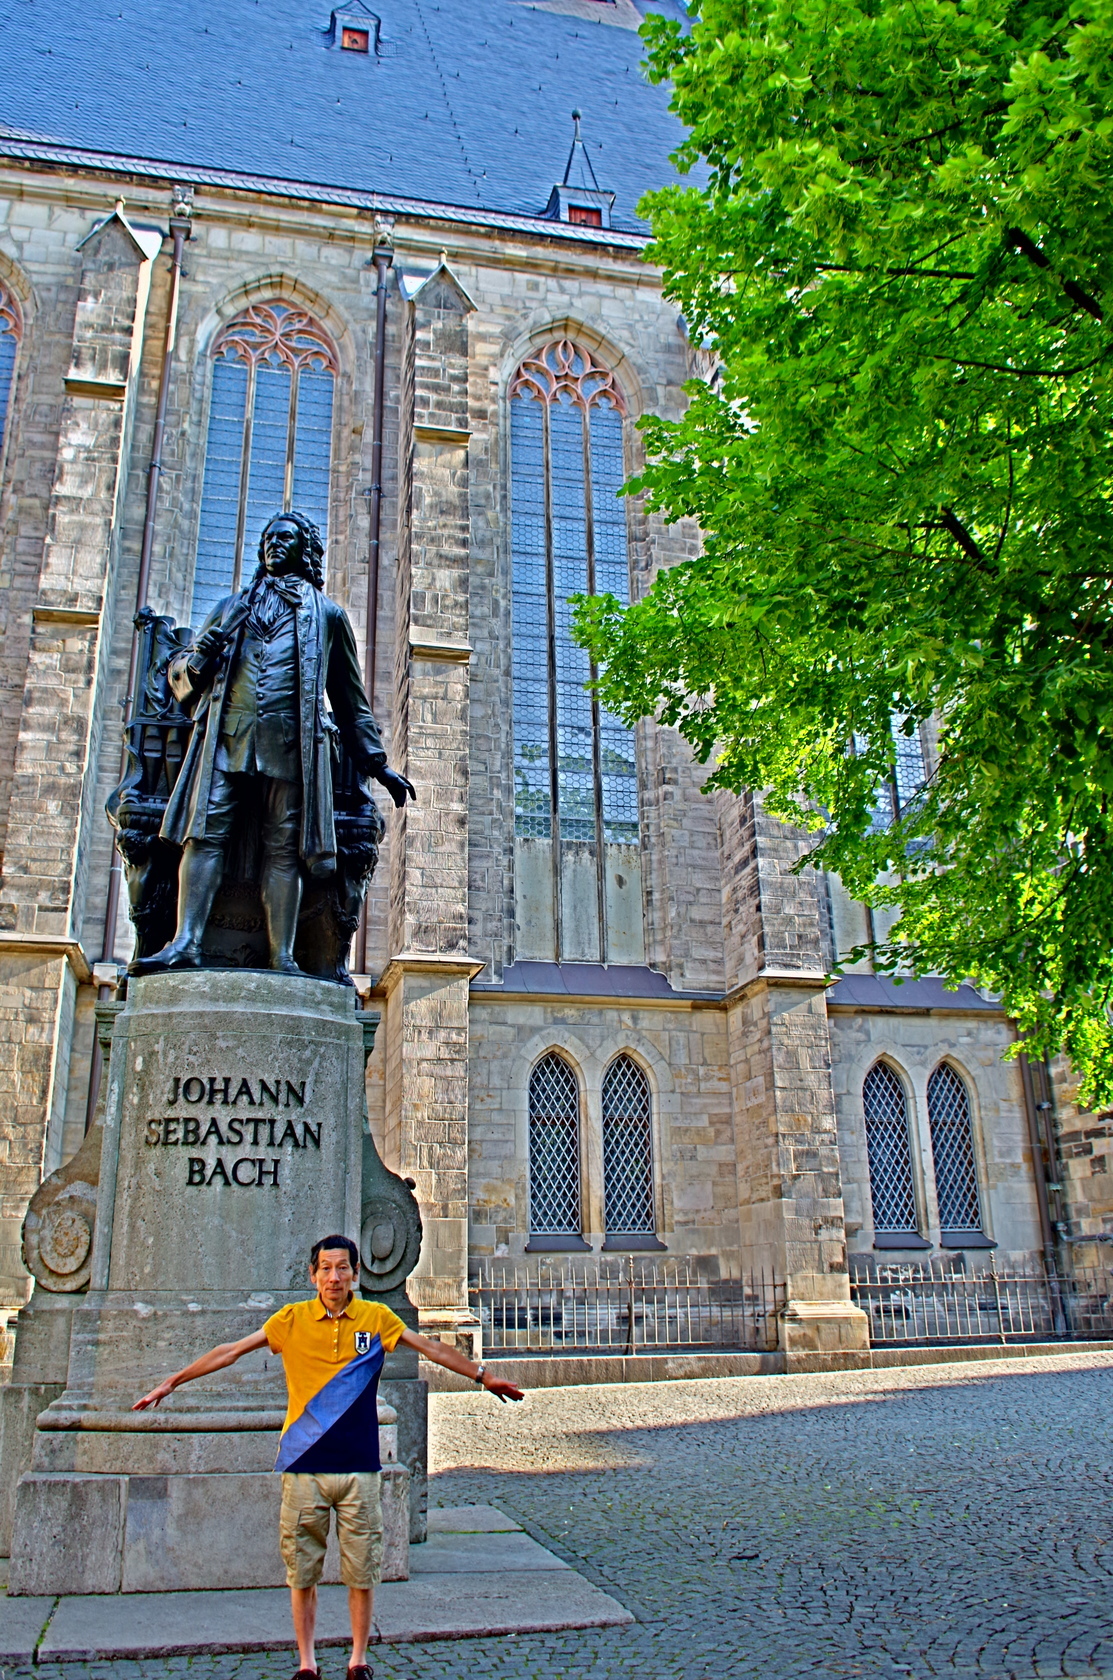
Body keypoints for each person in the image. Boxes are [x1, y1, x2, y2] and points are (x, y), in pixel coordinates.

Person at [133, 1235, 524, 1680]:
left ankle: (358, 1660)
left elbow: (430, 1348)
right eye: (325, 1268)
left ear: (356, 1273)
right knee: (302, 1571)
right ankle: (307, 1663)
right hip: (304, 1467)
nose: (334, 1277)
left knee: (361, 1569)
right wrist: (173, 1382)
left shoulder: (376, 1319)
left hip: (360, 1466)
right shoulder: (292, 1320)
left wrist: (483, 1375)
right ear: (313, 1274)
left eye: (342, 1268)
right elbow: (232, 1351)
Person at [132, 511, 415, 977]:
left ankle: (282, 956)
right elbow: (181, 678)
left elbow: (349, 698)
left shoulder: (327, 615)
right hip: (225, 741)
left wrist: (378, 765)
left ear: (304, 550)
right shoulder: (230, 607)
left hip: (290, 748)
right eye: (267, 539)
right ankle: (185, 944)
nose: (273, 545)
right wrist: (205, 652)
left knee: (284, 849)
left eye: (284, 538)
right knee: (203, 836)